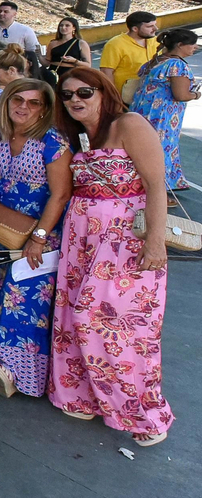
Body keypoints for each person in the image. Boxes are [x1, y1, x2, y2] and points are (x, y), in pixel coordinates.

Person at [52, 66, 174, 445]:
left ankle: (143, 414)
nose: (75, 99)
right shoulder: (82, 135)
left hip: (123, 243)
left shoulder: (130, 123)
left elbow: (156, 185)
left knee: (120, 326)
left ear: (104, 92)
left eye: (84, 92)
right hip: (83, 242)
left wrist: (155, 242)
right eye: (68, 94)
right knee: (75, 317)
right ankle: (85, 394)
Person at [0, 79, 69, 398]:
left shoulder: (52, 141)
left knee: (24, 298)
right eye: (17, 100)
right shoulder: (4, 136)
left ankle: (18, 372)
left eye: (34, 103)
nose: (24, 107)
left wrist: (40, 237)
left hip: (35, 232)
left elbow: (60, 195)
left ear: (45, 108)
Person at [129, 27, 199, 197]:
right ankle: (157, 190)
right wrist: (196, 94)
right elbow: (181, 95)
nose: (195, 48)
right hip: (162, 118)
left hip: (142, 113)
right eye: (192, 45)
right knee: (161, 150)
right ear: (180, 45)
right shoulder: (177, 65)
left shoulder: (157, 60)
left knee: (140, 148)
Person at [99, 10, 159, 97]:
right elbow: (106, 72)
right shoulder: (115, 44)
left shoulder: (155, 41)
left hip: (149, 97)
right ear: (135, 29)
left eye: (155, 25)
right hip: (124, 98)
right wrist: (113, 97)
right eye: (150, 26)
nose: (156, 29)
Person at [45, 16, 93, 84]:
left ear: (74, 28)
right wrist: (39, 55)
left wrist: (74, 61)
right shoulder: (53, 43)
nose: (63, 28)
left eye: (67, 25)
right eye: (61, 25)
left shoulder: (81, 43)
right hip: (53, 73)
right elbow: (47, 62)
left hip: (71, 73)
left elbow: (88, 65)